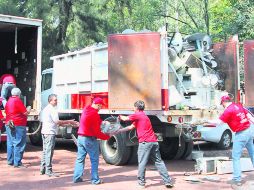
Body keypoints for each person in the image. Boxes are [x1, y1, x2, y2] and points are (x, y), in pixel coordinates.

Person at [116, 100, 174, 188]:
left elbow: (125, 118)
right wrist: (119, 131)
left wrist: (119, 116)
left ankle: (141, 183)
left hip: (145, 143)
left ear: (136, 107)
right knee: (159, 162)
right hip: (154, 142)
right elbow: (131, 127)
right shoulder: (144, 117)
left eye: (133, 107)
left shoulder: (137, 115)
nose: (133, 109)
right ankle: (167, 181)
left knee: (142, 162)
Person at [204, 95, 254, 187]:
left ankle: (237, 179)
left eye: (222, 104)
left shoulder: (228, 111)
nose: (222, 105)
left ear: (223, 102)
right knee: (252, 153)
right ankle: (237, 178)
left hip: (241, 133)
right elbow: (249, 116)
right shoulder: (238, 105)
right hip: (249, 130)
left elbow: (218, 122)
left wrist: (207, 120)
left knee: (236, 157)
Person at [73, 97, 110, 184]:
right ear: (97, 105)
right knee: (94, 160)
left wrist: (101, 122)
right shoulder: (95, 114)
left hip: (80, 137)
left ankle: (77, 177)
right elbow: (97, 132)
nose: (101, 108)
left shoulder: (86, 109)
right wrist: (107, 137)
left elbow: (93, 121)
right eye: (100, 106)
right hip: (89, 139)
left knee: (80, 159)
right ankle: (95, 180)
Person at [40, 94, 79, 177]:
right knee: (49, 152)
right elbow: (57, 122)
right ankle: (48, 170)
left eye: (56, 100)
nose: (56, 101)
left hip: (45, 131)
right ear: (50, 100)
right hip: (50, 132)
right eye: (55, 100)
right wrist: (69, 121)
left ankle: (43, 169)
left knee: (45, 151)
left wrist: (68, 124)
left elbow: (55, 123)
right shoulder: (52, 109)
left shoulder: (46, 109)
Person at [5, 87, 29, 168]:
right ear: (19, 94)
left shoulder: (8, 101)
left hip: (9, 123)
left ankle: (10, 160)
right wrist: (28, 109)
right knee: (19, 143)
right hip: (18, 123)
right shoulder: (18, 101)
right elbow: (25, 113)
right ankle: (17, 162)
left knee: (10, 142)